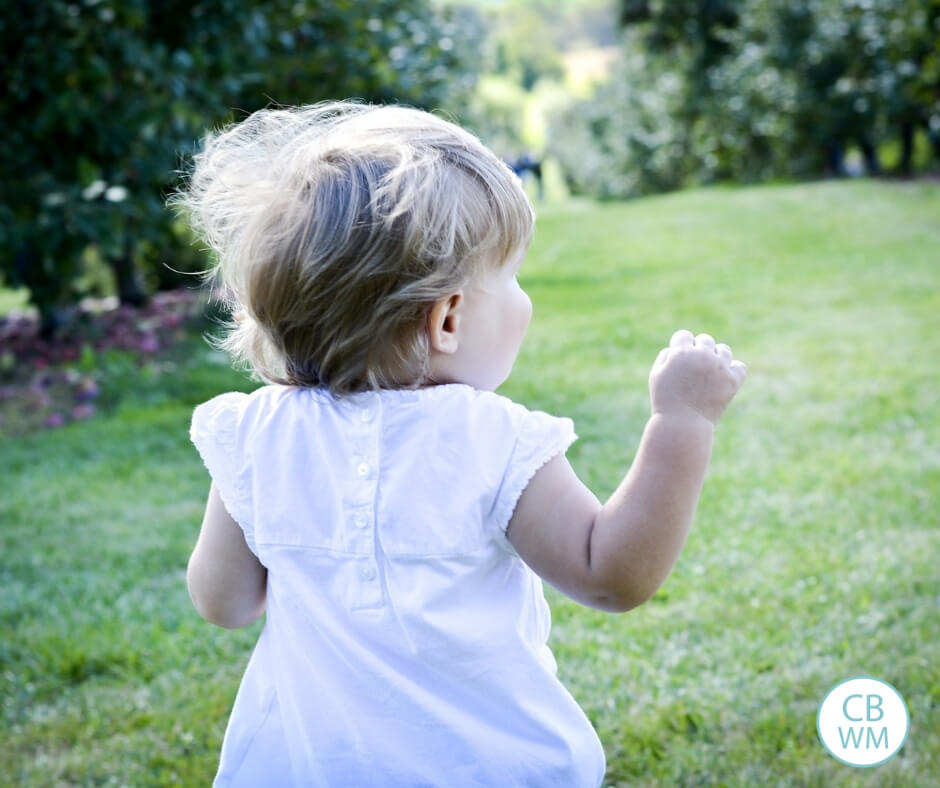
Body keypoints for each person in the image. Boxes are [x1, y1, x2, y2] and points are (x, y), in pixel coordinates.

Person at [175, 101, 746, 787]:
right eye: (510, 277)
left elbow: (224, 603)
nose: (521, 297)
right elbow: (610, 573)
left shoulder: (254, 436)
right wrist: (681, 423)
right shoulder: (493, 441)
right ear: (447, 317)